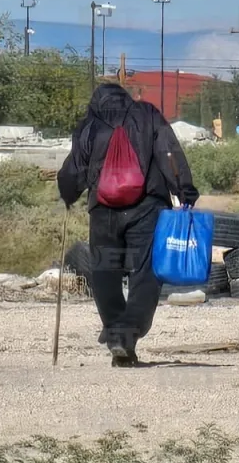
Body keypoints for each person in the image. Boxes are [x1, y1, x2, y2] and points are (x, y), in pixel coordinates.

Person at [57, 83, 199, 368]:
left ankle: (116, 335)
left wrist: (68, 193)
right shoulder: (147, 115)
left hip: (103, 211)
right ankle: (126, 335)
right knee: (146, 274)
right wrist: (184, 191)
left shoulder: (91, 124)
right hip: (147, 208)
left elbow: (76, 167)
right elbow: (169, 153)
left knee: (104, 273)